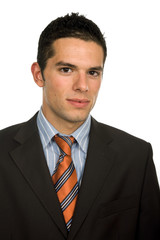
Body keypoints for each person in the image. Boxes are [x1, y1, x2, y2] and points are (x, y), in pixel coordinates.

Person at [0, 13, 160, 240]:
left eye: (93, 72)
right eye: (67, 69)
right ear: (38, 75)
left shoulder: (136, 157)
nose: (83, 86)